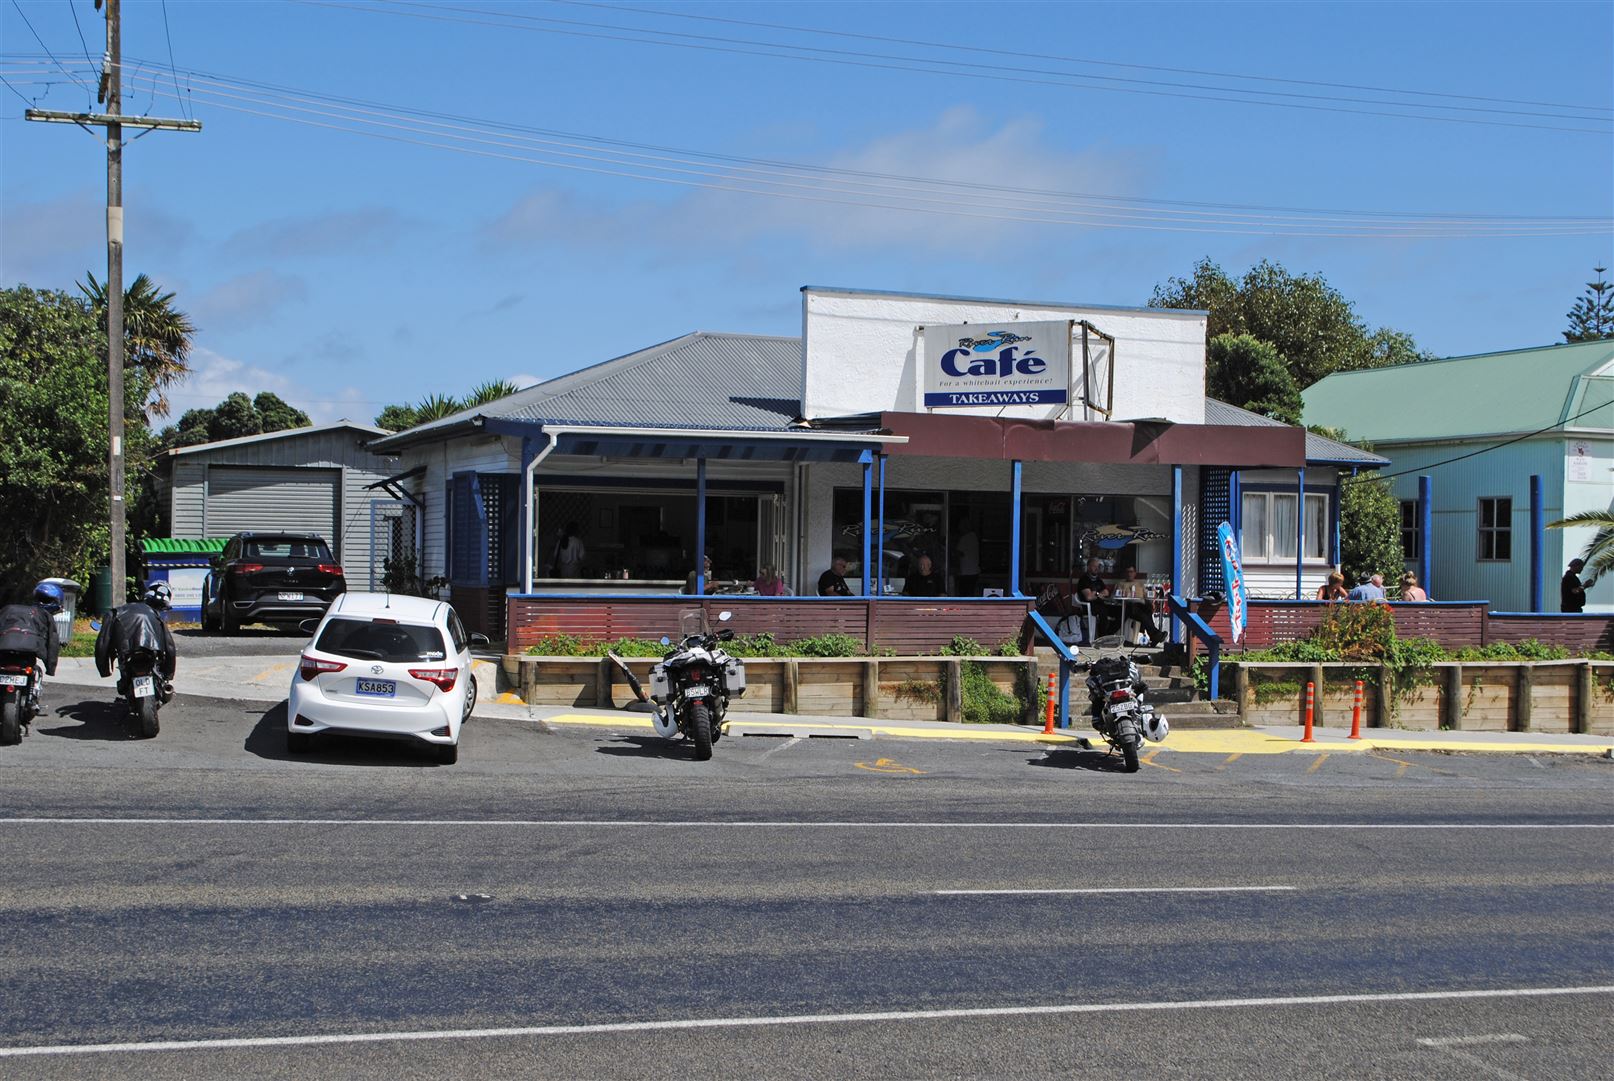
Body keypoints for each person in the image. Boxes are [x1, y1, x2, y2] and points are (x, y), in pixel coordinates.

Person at [94, 581, 178, 701]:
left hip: (129, 652)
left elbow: (102, 643)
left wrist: (104, 670)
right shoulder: (155, 616)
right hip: (149, 652)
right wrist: (169, 673)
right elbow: (170, 647)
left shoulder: (116, 612)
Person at [0, 582, 64, 710]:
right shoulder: (45, 616)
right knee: (35, 671)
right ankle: (32, 699)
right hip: (28, 653)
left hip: (4, 650)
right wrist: (50, 667)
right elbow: (52, 642)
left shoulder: (7, 610)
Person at [1112, 565, 1165, 645]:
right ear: (1125, 573)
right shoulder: (1121, 584)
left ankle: (1154, 634)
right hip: (1128, 607)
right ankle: (1155, 634)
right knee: (1139, 610)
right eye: (1128, 572)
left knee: (1147, 609)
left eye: (1131, 572)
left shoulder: (1140, 584)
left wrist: (1152, 598)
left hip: (1141, 607)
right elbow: (1115, 597)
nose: (1129, 574)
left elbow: (1146, 595)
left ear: (1135, 573)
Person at [1073, 558, 1121, 639]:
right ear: (1088, 567)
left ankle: (1108, 633)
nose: (1096, 568)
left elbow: (1106, 592)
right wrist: (1098, 594)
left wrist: (1096, 594)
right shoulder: (1084, 580)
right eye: (1094, 566)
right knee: (1103, 611)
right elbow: (1088, 597)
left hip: (1101, 604)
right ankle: (1102, 638)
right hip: (1089, 607)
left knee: (1121, 611)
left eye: (1098, 566)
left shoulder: (1098, 580)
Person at [954, 517, 980, 598]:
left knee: (963, 595)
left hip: (966, 572)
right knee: (970, 594)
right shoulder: (974, 536)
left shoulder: (965, 538)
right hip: (974, 571)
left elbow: (958, 553)